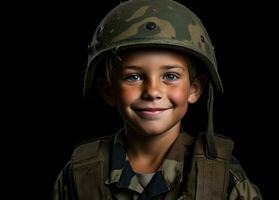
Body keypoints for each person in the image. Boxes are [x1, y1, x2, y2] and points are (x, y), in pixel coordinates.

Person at [53, 0, 262, 199]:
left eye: (170, 76)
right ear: (109, 90)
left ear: (194, 88)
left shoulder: (222, 178)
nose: (152, 91)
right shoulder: (81, 175)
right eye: (134, 77)